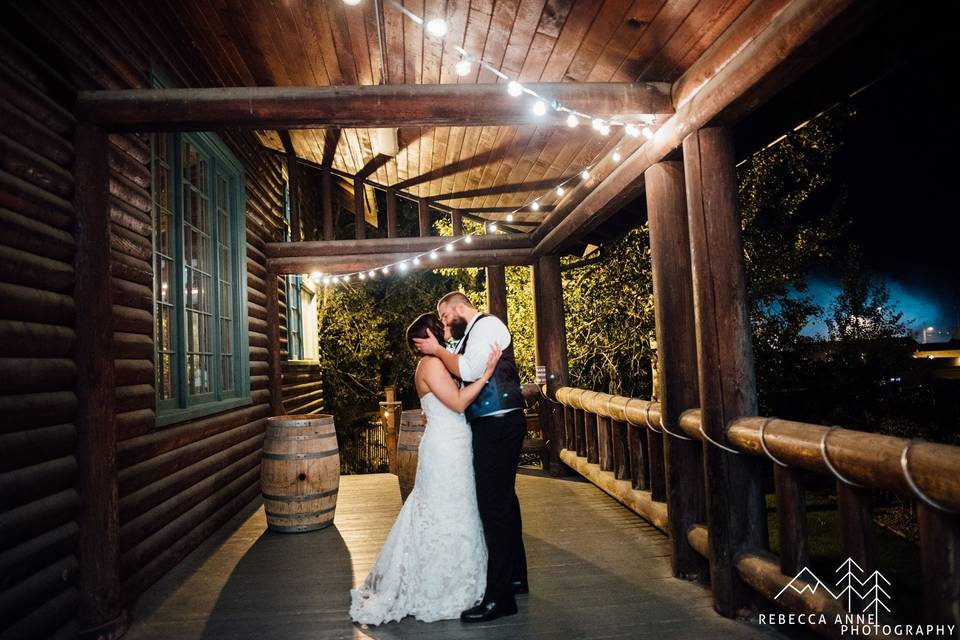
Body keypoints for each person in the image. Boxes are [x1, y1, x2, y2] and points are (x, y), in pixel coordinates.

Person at [349, 313, 502, 625]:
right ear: (429, 335)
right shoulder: (430, 364)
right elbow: (458, 403)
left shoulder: (435, 362)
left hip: (452, 442)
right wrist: (487, 372)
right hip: (446, 448)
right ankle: (440, 588)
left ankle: (462, 580)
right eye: (441, 327)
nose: (446, 331)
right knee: (446, 512)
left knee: (458, 510)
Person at [413, 292, 528, 623]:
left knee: (494, 508)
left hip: (500, 424)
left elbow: (470, 369)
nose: (445, 323)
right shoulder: (469, 336)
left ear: (458, 308)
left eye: (446, 317)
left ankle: (500, 598)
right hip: (491, 425)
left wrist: (436, 350)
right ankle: (515, 578)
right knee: (504, 503)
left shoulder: (487, 326)